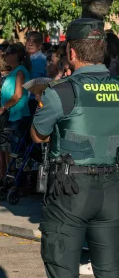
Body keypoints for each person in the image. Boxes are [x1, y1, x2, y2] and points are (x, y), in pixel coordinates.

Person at [31, 18, 119, 278]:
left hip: (71, 190)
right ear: (102, 50)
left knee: (61, 267)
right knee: (111, 270)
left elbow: (38, 135)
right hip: (112, 187)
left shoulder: (63, 91)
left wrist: (42, 103)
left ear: (71, 52)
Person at [0, 44, 31, 153]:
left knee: (17, 151)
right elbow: (3, 93)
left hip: (18, 116)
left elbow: (17, 95)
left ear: (15, 55)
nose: (5, 56)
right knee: (12, 150)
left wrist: (2, 108)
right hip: (12, 116)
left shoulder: (20, 71)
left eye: (7, 54)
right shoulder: (14, 71)